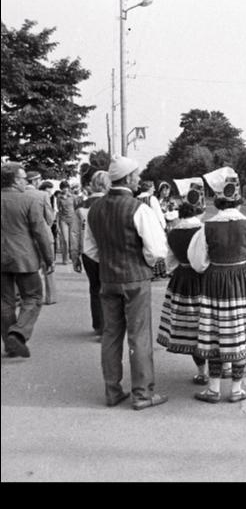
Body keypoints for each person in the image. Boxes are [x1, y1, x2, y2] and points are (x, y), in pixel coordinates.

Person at [85, 155, 170, 410]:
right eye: (137, 175)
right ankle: (143, 394)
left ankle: (112, 391)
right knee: (139, 336)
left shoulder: (95, 209)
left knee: (111, 335)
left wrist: (109, 260)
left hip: (108, 279)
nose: (139, 179)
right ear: (129, 178)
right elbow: (157, 250)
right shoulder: (138, 208)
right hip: (135, 279)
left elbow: (89, 249)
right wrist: (140, 260)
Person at [188, 166, 246, 403]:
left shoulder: (206, 227)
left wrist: (215, 265)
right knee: (241, 334)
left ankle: (214, 389)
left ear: (217, 202)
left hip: (216, 283)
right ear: (239, 202)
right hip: (244, 282)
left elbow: (197, 262)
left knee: (216, 335)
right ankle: (236, 389)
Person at [1, 162, 55, 358]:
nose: (25, 182)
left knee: (5, 302)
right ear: (15, 180)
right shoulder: (28, 201)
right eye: (23, 178)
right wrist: (49, 259)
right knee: (32, 297)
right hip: (25, 258)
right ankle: (18, 333)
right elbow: (40, 233)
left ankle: (9, 343)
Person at [156, 201, 209, 384]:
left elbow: (169, 262)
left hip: (183, 281)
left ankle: (202, 372)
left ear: (180, 214)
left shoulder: (173, 233)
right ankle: (223, 367)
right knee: (212, 323)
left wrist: (177, 270)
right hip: (205, 280)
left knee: (191, 328)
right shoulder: (203, 230)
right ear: (197, 213)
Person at [71, 170, 111, 338]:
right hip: (108, 252)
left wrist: (75, 256)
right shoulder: (110, 203)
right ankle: (109, 324)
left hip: (88, 253)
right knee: (109, 290)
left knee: (95, 289)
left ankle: (98, 324)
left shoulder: (81, 206)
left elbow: (75, 233)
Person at [26, 171, 57, 305]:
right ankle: (50, 297)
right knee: (48, 266)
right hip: (44, 233)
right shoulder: (43, 195)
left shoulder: (19, 195)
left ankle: (33, 296)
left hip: (26, 236)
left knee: (31, 268)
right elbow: (49, 219)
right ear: (35, 181)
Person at [56, 180, 79, 264]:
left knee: (73, 239)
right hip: (63, 219)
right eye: (63, 188)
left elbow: (76, 208)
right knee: (65, 239)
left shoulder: (73, 197)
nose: (65, 189)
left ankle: (73, 257)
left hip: (72, 219)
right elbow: (58, 210)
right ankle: (65, 258)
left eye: (66, 187)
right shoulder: (59, 197)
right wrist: (58, 224)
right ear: (61, 188)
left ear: (68, 188)